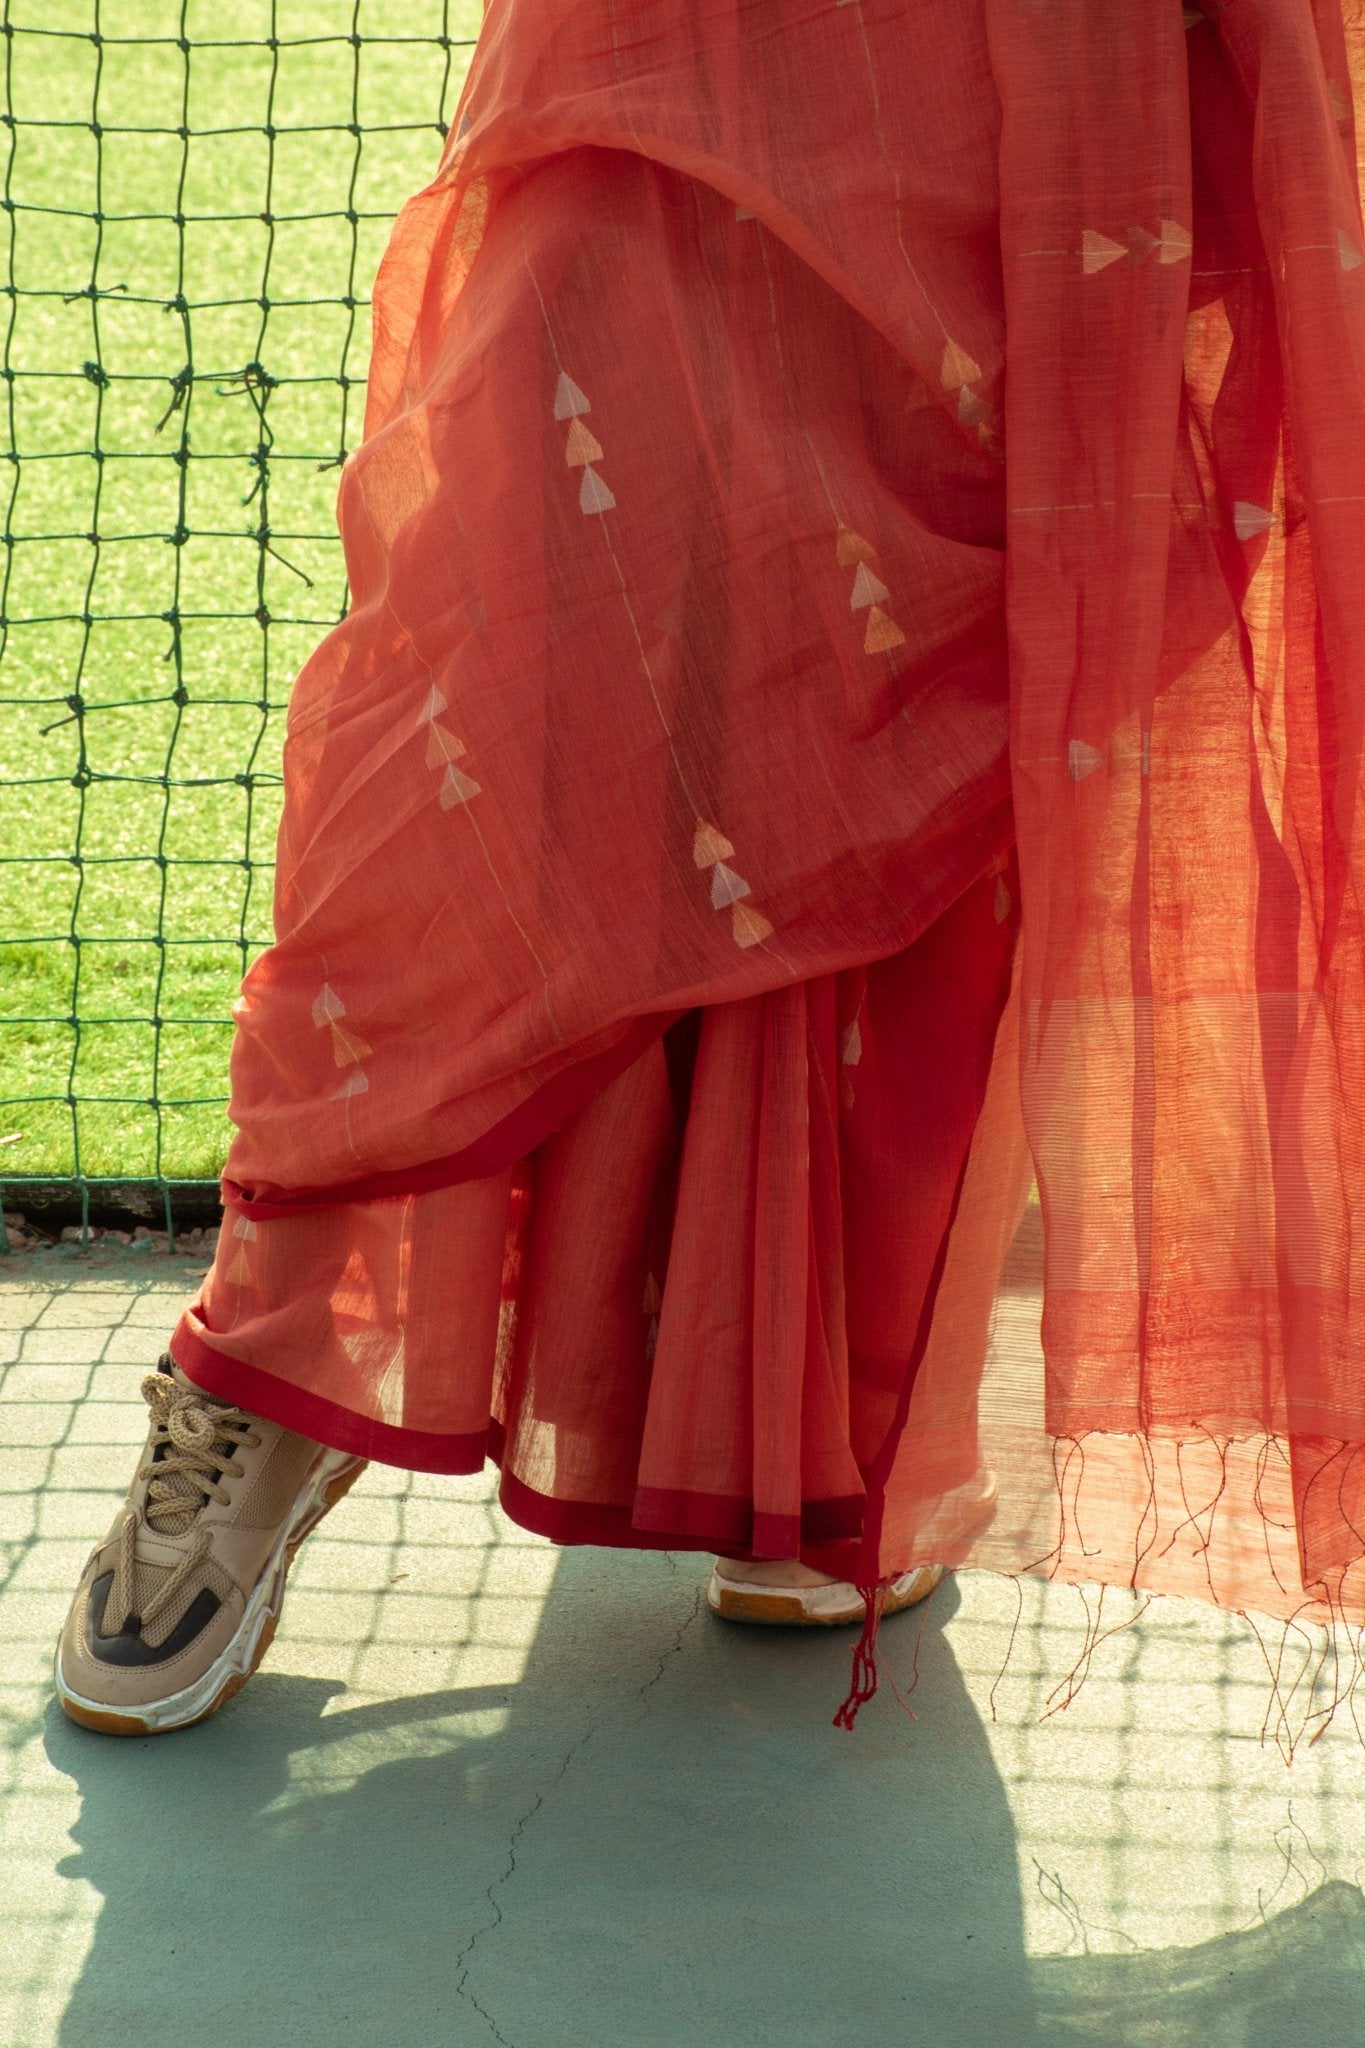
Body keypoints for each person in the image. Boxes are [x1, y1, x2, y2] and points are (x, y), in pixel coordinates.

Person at [54, 0, 1365, 1738]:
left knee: (896, 697)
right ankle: (278, 1368)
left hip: (1027, 72)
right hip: (663, 56)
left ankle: (798, 1431)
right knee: (479, 673)